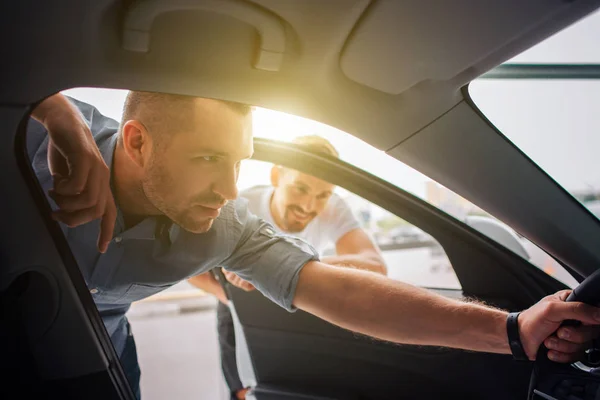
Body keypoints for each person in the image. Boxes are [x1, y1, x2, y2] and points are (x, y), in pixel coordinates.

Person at [27, 91, 600, 399]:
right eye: (207, 159)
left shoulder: (227, 224)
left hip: (97, 349)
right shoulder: (46, 137)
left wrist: (511, 331)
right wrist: (47, 103)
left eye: (237, 162)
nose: (228, 188)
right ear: (136, 141)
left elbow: (339, 290)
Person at [190, 135, 387, 399]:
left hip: (302, 295)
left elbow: (374, 266)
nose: (308, 206)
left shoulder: (334, 207)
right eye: (300, 188)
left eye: (323, 195)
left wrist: (290, 268)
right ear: (276, 176)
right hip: (241, 299)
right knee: (246, 390)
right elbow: (193, 268)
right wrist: (229, 297)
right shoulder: (241, 207)